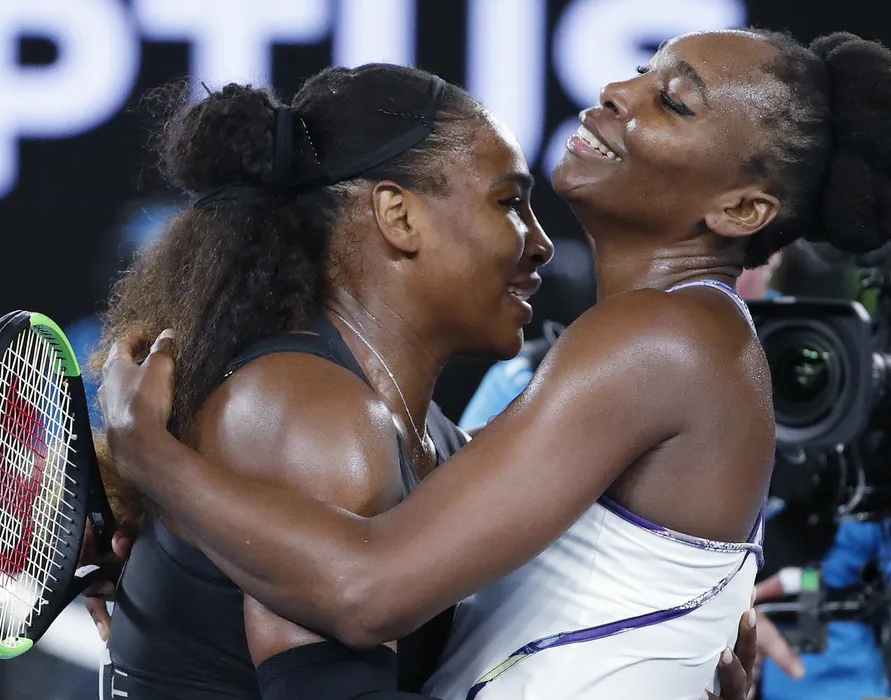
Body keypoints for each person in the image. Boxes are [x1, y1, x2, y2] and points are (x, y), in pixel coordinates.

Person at [101, 26, 891, 699]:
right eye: (641, 71)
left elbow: (365, 590)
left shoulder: (666, 337)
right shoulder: (656, 345)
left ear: (740, 210)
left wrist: (156, 462)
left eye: (673, 101)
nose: (618, 91)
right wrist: (177, 561)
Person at [90, 62, 564, 700]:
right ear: (398, 215)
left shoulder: (423, 434)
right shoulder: (309, 417)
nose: (540, 243)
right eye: (508, 202)